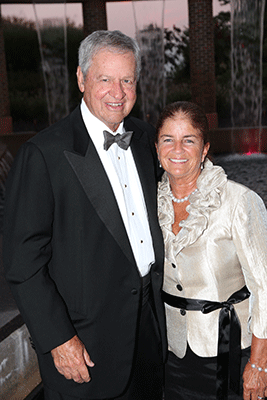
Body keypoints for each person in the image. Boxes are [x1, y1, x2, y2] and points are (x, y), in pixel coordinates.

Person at [3, 30, 167, 400]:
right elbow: (22, 262)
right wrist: (58, 338)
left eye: (127, 80)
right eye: (104, 79)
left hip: (149, 332)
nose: (118, 91)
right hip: (85, 346)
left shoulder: (143, 138)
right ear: (81, 78)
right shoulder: (43, 155)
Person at [155, 101, 267, 400]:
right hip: (172, 356)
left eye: (188, 140)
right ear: (157, 148)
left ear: (204, 149)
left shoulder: (239, 202)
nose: (177, 149)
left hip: (232, 353)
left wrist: (259, 364)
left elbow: (265, 288)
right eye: (169, 139)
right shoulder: (149, 205)